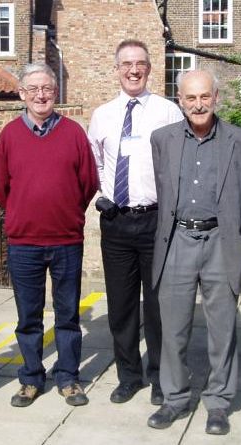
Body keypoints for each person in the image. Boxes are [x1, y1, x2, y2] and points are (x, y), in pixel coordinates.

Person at [147, 70, 241, 435]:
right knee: (173, 329)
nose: (198, 104)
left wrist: (236, 243)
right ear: (180, 100)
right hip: (177, 241)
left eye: (204, 97)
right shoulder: (161, 140)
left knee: (222, 329)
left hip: (220, 243)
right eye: (190, 98)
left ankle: (218, 403)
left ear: (216, 98)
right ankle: (175, 398)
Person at [0, 62, 99, 408]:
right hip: (24, 243)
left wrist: (64, 211)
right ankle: (31, 378)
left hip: (66, 240)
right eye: (33, 89)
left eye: (47, 89)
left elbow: (88, 183)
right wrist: (27, 211)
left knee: (67, 315)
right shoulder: (9, 135)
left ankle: (68, 377)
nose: (41, 95)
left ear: (56, 93)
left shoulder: (73, 133)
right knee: (29, 317)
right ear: (22, 93)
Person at [87, 39, 183, 406]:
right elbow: (96, 161)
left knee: (159, 306)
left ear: (149, 68)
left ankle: (160, 376)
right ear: (116, 69)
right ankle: (129, 376)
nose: (133, 70)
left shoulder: (168, 111)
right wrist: (107, 193)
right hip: (116, 223)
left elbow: (177, 161)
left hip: (155, 220)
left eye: (140, 63)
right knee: (121, 305)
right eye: (126, 63)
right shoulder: (103, 115)